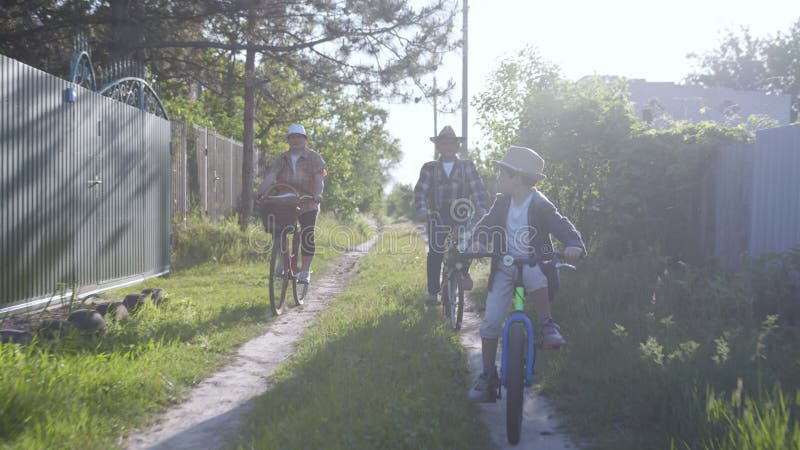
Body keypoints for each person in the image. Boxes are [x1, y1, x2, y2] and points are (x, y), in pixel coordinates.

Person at [467, 145, 586, 403]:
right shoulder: (501, 202)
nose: (498, 179)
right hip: (505, 265)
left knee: (536, 274)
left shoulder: (540, 204)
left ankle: (546, 323)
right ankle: (488, 375)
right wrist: (479, 241)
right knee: (490, 320)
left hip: (534, 260)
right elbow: (486, 224)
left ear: (518, 178)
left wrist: (573, 244)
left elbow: (560, 224)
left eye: (502, 174)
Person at [414, 126, 489, 305]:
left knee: (464, 246)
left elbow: (478, 190)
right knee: (435, 252)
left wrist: (482, 210)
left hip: (461, 213)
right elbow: (420, 192)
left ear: (457, 146)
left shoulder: (467, 166)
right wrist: (422, 210)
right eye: (443, 143)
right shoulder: (429, 168)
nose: (447, 146)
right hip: (437, 215)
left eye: (451, 143)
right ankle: (433, 293)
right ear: (438, 146)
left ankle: (463, 273)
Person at [256, 123, 327, 284]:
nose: (296, 140)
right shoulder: (281, 159)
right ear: (288, 140)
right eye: (292, 137)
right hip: (286, 200)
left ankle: (306, 270)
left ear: (305, 140)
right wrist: (261, 192)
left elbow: (319, 179)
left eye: (299, 137)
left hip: (308, 201)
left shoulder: (314, 158)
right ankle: (283, 261)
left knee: (308, 233)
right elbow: (270, 177)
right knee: (278, 231)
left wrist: (318, 194)